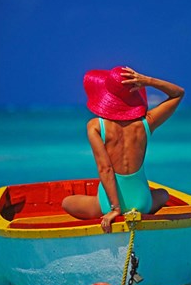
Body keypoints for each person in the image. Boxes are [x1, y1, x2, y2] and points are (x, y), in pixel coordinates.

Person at [62, 66, 184, 233]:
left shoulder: (96, 126)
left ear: (106, 95)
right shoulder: (146, 123)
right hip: (141, 202)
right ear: (135, 93)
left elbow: (105, 169)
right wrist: (147, 81)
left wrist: (115, 209)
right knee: (163, 194)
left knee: (67, 202)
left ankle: (111, 207)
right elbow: (178, 93)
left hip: (108, 203)